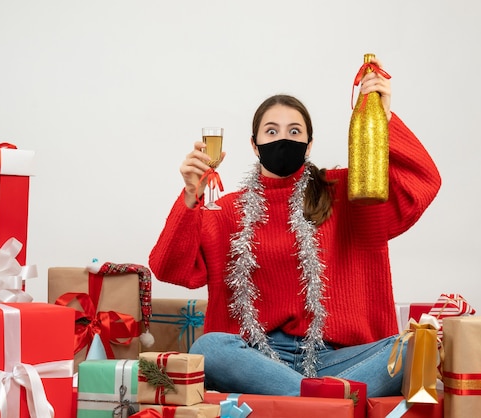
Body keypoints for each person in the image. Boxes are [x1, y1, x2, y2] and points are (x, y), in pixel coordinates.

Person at [149, 57, 441, 397]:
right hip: (255, 359)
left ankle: (310, 401)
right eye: (271, 131)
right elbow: (170, 269)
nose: (283, 139)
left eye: (294, 132)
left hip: (335, 359)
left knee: (413, 347)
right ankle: (328, 404)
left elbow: (422, 182)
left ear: (310, 143)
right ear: (254, 144)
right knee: (209, 350)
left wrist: (385, 118)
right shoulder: (225, 210)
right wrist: (190, 195)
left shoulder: (348, 194)